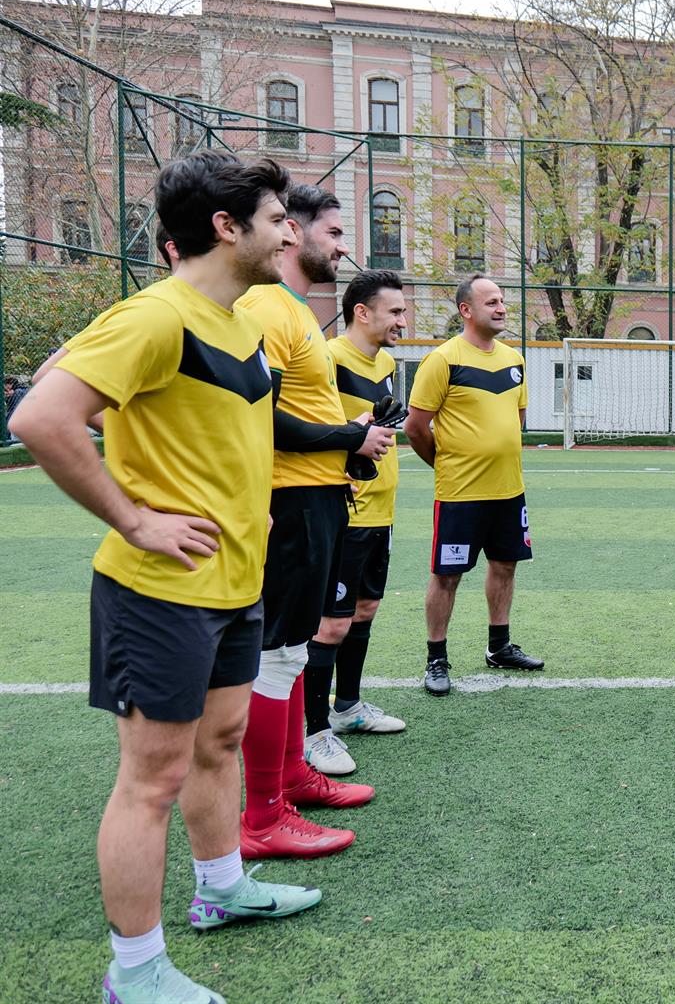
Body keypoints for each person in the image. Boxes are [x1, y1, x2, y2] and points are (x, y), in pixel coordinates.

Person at [9, 149, 323, 1004]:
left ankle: (221, 890)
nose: (288, 230)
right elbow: (42, 415)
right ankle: (135, 974)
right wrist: (135, 518)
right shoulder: (158, 316)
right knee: (150, 782)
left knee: (219, 744)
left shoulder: (244, 318)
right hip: (160, 590)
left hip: (234, 583)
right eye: (273, 217)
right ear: (227, 228)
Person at [236, 184, 393, 858]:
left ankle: (293, 775)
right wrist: (345, 440)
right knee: (276, 652)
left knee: (294, 647)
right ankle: (263, 815)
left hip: (319, 496)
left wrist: (344, 435)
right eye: (333, 233)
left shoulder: (297, 310)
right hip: (291, 501)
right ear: (294, 233)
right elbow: (257, 414)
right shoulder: (265, 306)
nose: (341, 246)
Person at [406, 274, 542, 695]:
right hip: (460, 495)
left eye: (502, 301)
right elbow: (415, 427)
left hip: (508, 491)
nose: (501, 308)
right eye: (491, 302)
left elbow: (515, 424)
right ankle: (436, 658)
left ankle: (498, 646)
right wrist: (444, 463)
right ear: (466, 310)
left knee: (505, 565)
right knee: (447, 576)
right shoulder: (442, 360)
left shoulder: (514, 360)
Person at [301, 270, 411, 775]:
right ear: (361, 312)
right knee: (330, 624)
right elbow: (313, 427)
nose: (402, 320)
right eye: (394, 311)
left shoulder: (386, 361)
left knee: (365, 610)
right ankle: (313, 732)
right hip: (342, 512)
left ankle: (347, 709)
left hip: (380, 508)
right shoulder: (326, 358)